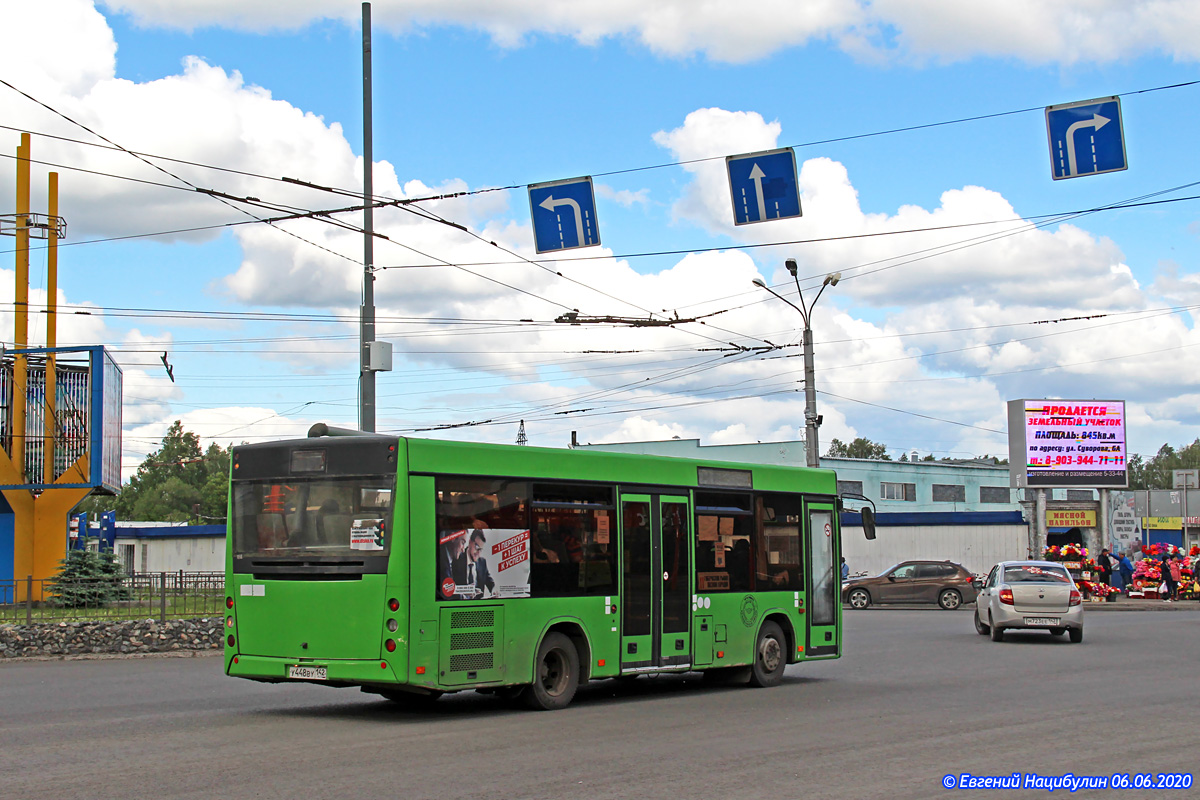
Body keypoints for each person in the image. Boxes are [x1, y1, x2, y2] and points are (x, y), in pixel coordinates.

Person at [452, 528, 495, 599]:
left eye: (480, 549)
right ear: (469, 542)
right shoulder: (457, 558)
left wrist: (494, 590)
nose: (478, 552)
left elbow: (490, 581)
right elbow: (450, 588)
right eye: (477, 547)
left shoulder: (482, 562)